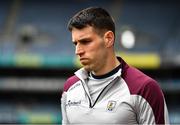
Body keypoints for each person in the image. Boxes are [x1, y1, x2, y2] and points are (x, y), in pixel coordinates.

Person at [61, 7, 169, 124]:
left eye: (85, 42)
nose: (78, 51)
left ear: (108, 39)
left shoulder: (145, 89)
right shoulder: (69, 87)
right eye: (75, 43)